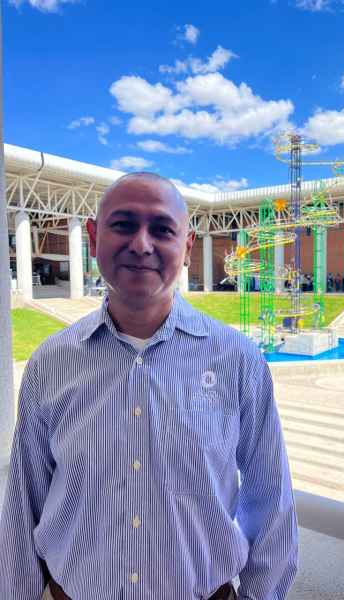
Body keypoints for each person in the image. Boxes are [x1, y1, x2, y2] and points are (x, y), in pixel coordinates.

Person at [0, 173, 298, 600]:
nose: (141, 244)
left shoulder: (238, 361)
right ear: (93, 237)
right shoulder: (50, 363)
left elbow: (271, 502)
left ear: (188, 247)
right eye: (123, 225)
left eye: (162, 229)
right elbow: (23, 502)